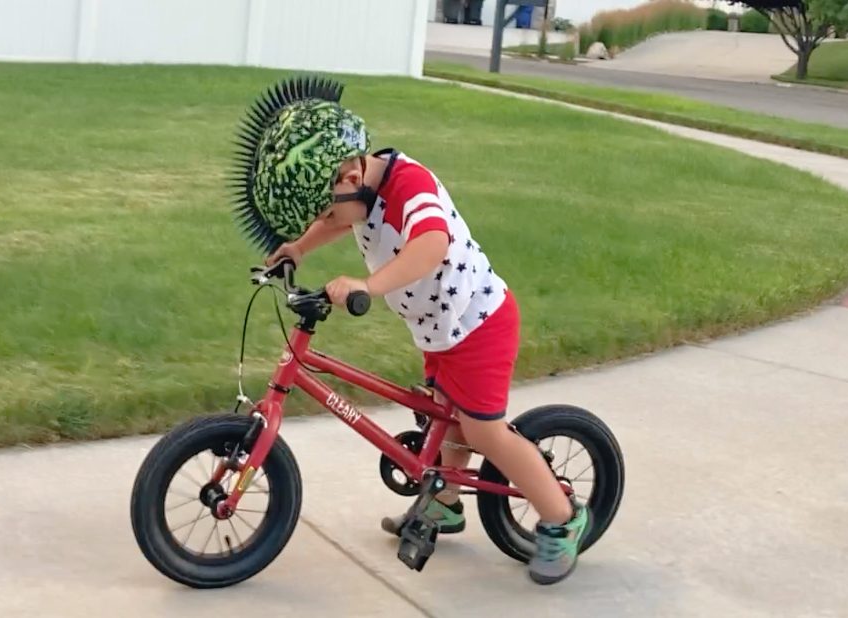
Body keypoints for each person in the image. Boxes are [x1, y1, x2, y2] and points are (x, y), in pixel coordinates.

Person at [230, 75, 591, 585]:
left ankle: (562, 517)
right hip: (438, 328)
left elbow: (431, 244)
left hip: (479, 324)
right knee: (444, 415)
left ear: (352, 171)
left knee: (483, 429)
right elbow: (337, 220)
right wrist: (298, 248)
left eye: (328, 205)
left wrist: (369, 285)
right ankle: (444, 501)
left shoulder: (409, 185)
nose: (329, 218)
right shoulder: (358, 188)